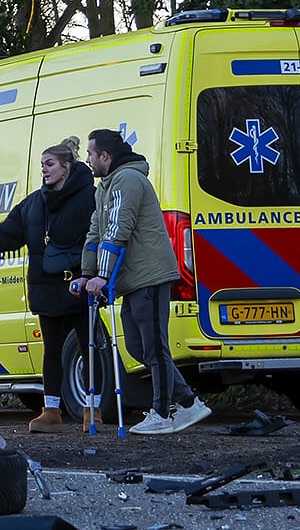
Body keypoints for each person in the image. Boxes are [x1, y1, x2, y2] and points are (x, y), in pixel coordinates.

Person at [78, 129, 211, 435]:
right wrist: (86, 274)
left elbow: (118, 229)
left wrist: (103, 275)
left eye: (90, 154)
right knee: (138, 347)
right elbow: (95, 233)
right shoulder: (104, 188)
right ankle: (189, 403)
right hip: (133, 281)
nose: (87, 159)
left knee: (154, 346)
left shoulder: (128, 181)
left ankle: (163, 413)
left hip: (148, 275)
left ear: (105, 156)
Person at [0, 138, 96, 433]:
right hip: (46, 287)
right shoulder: (33, 203)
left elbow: (98, 238)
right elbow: (7, 233)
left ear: (66, 167)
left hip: (78, 284)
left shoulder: (90, 197)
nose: (44, 170)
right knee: (52, 349)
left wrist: (95, 274)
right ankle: (51, 411)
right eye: (42, 165)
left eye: (49, 164)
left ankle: (91, 410)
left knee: (89, 347)